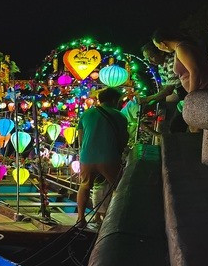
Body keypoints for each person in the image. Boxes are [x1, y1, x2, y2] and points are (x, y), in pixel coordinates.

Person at [75, 86, 129, 228]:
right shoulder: (120, 116)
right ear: (113, 100)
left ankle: (80, 219)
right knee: (118, 189)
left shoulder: (86, 115)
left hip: (87, 158)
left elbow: (80, 140)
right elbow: (124, 140)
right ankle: (114, 222)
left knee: (85, 186)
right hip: (109, 157)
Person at [152, 27, 208, 94]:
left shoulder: (181, 48)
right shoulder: (181, 47)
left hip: (205, 90)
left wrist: (192, 94)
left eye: (157, 46)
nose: (159, 49)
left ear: (163, 43)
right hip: (204, 90)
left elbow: (194, 71)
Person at [138, 41, 184, 135]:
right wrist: (152, 102)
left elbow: (168, 90)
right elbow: (164, 89)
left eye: (151, 56)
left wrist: (147, 99)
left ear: (161, 52)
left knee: (175, 127)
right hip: (178, 97)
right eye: (147, 59)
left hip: (186, 96)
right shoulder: (160, 66)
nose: (150, 61)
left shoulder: (171, 61)